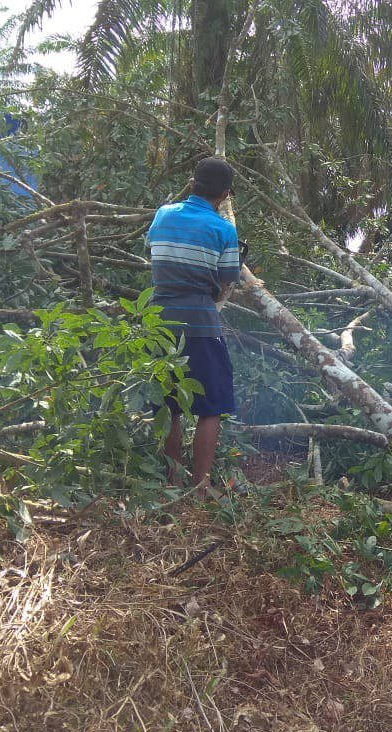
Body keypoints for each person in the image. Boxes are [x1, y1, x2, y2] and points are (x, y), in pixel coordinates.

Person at [148, 157, 242, 498]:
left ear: (192, 182)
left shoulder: (163, 214)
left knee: (168, 404)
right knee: (211, 405)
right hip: (200, 323)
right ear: (225, 194)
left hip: (158, 323)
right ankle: (200, 485)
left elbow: (157, 257)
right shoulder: (224, 230)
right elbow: (226, 281)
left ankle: (170, 481)